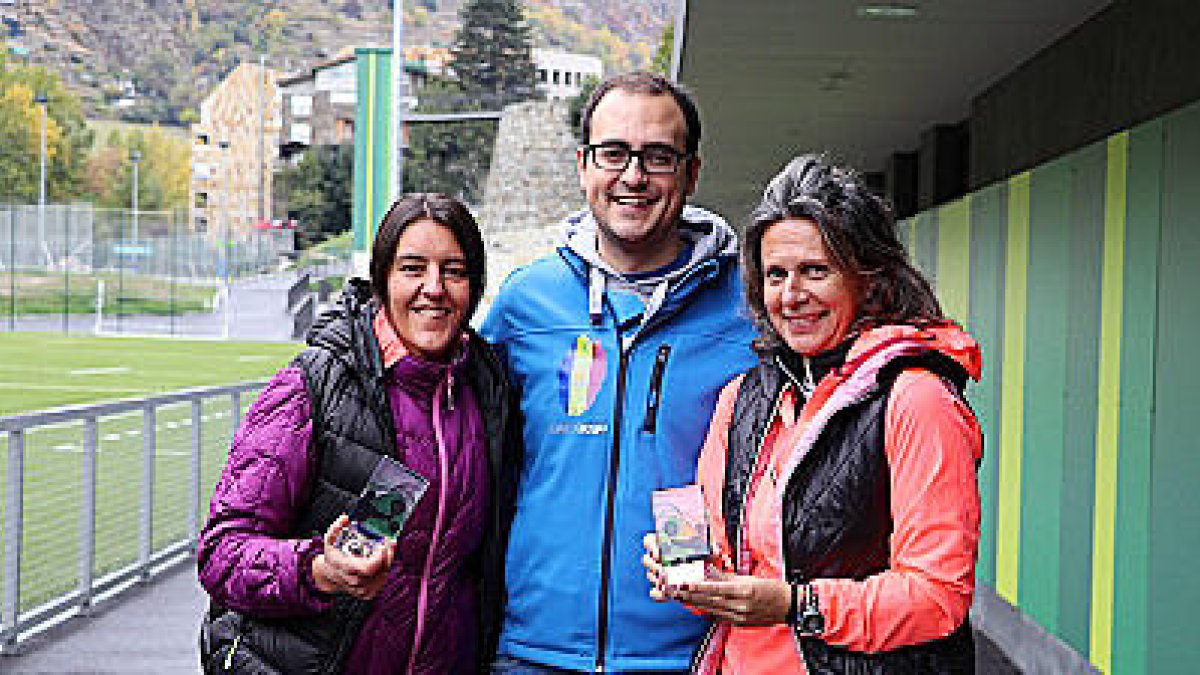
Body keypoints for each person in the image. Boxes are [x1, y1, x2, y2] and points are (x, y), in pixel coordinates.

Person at [644, 155, 982, 673]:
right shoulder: (742, 397)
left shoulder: (917, 399)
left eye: (816, 271)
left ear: (869, 278)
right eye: (775, 274)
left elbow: (937, 599)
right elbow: (720, 549)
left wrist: (795, 605)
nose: (792, 295)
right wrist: (686, 569)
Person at [482, 71, 758, 672]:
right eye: (614, 153)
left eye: (658, 156)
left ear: (691, 172)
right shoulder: (524, 305)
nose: (633, 176)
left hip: (695, 657)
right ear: (584, 165)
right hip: (532, 655)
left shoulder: (751, 312)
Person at [197, 193, 517, 674]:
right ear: (382, 279)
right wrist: (318, 572)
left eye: (453, 271)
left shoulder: (487, 392)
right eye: (413, 268)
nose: (435, 288)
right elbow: (223, 554)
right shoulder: (312, 385)